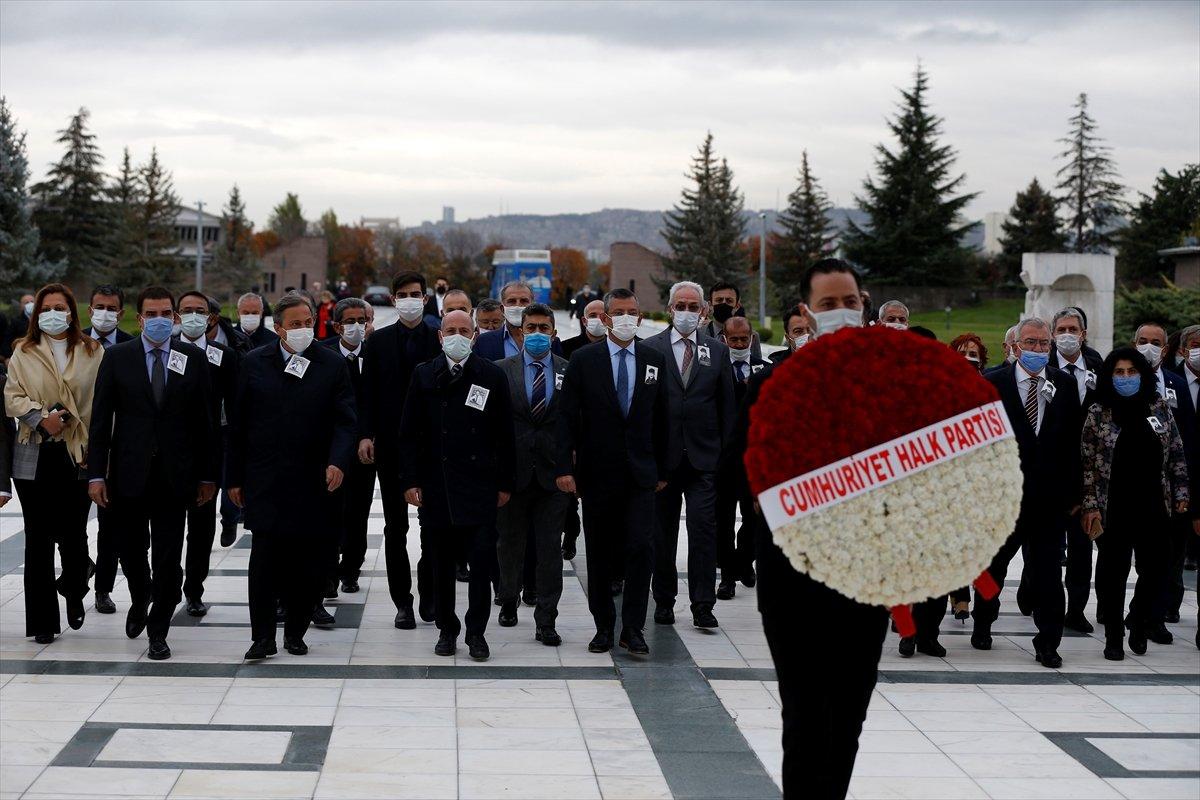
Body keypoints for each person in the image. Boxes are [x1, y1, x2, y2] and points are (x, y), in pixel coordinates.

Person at [747, 259, 886, 798]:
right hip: (794, 586)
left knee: (849, 717)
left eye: (849, 302)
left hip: (867, 582)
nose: (841, 313)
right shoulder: (773, 386)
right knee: (805, 718)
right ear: (806, 313)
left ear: (864, 303)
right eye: (828, 305)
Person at [88, 286, 218, 661]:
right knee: (130, 551)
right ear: (139, 318)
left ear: (174, 319)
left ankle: (159, 628)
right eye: (152, 314)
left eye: (166, 314)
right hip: (128, 473)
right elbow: (100, 421)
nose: (159, 320)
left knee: (167, 553)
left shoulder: (192, 359)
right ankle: (141, 594)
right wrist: (96, 474)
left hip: (175, 476)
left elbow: (205, 422)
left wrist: (208, 475)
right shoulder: (117, 358)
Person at [229, 293, 356, 660]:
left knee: (309, 562)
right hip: (266, 478)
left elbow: (346, 420)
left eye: (307, 322)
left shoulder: (330, 365)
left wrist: (338, 461)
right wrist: (234, 477)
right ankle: (263, 636)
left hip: (314, 480)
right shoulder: (255, 363)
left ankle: (297, 629)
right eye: (294, 323)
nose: (302, 329)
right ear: (278, 326)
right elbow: (238, 426)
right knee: (265, 561)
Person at [556, 288, 667, 655]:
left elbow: (663, 420)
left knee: (640, 549)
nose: (625, 318)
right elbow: (567, 418)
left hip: (641, 474)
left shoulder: (653, 359)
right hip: (598, 473)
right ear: (604, 318)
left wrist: (662, 469)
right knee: (600, 553)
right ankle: (604, 625)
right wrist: (564, 467)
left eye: (631, 312)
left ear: (639, 316)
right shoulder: (585, 361)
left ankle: (632, 628)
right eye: (617, 311)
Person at [400, 310, 516, 660]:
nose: (457, 335)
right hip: (437, 487)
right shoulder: (423, 374)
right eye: (450, 330)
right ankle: (447, 629)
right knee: (440, 565)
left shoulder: (492, 375)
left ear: (474, 335)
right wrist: (409, 480)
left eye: (464, 330)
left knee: (481, 565)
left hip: (479, 487)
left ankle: (476, 632)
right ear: (440, 336)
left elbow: (505, 436)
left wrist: (505, 482)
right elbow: (408, 434)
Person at [973, 316, 1081, 669]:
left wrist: (1075, 494)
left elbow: (1071, 443)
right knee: (996, 567)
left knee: (1049, 573)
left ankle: (1048, 640)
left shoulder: (1064, 386)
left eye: (1043, 344)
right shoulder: (993, 383)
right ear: (1015, 346)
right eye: (1031, 343)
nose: (1037, 349)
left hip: (1049, 501)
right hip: (1003, 500)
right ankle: (983, 619)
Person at [4, 284, 103, 644]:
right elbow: (12, 396)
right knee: (39, 539)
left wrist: (96, 444)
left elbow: (101, 401)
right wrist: (40, 417)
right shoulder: (23, 351)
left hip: (78, 452)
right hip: (35, 454)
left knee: (74, 535)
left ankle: (75, 588)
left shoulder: (92, 351)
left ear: (71, 312)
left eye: (60, 306)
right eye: (46, 307)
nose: (53, 313)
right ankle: (43, 622)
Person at [1081, 347, 1189, 660]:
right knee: (1112, 574)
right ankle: (1113, 635)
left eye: (1132, 372)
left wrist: (1182, 493)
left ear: (1142, 375)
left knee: (1156, 570)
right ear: (1109, 376)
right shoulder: (1098, 411)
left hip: (1155, 503)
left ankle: (1139, 620)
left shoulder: (1158, 406)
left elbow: (1177, 452)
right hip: (1112, 505)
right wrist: (1089, 505)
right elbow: (1086, 463)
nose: (1126, 378)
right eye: (1119, 372)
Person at [644, 280, 735, 630]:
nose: (686, 312)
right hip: (663, 463)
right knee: (661, 536)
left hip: (703, 460)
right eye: (680, 306)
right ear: (669, 309)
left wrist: (722, 457)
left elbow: (727, 410)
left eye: (692, 306)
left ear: (704, 311)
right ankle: (664, 600)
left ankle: (702, 604)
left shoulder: (717, 351)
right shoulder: (650, 348)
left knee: (703, 533)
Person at [359, 272, 443, 629]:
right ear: (393, 299)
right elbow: (367, 393)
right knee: (396, 527)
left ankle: (429, 591)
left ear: (425, 298)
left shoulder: (439, 339)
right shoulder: (377, 342)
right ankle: (402, 601)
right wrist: (366, 434)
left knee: (432, 527)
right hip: (391, 447)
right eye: (403, 294)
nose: (410, 299)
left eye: (416, 294)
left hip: (430, 449)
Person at [494, 304, 570, 644]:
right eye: (531, 327)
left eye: (544, 327)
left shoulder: (569, 370)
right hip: (513, 474)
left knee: (550, 550)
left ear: (554, 332)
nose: (537, 333)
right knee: (509, 543)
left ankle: (546, 619)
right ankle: (508, 598)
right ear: (520, 331)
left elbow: (576, 424)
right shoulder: (500, 370)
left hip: (554, 476)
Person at [172, 290, 239, 616]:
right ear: (176, 315)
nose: (193, 316)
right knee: (167, 528)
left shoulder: (222, 356)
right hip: (170, 456)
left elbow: (233, 407)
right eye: (187, 310)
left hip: (207, 455)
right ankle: (167, 586)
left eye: (200, 311)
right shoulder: (165, 351)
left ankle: (194, 589)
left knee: (201, 530)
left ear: (211, 318)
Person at [1049, 307, 1104, 633]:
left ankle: (1077, 609)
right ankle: (1036, 593)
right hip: (1053, 473)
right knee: (1046, 545)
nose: (1067, 334)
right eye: (1062, 329)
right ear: (1054, 334)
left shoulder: (1098, 365)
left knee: (1082, 548)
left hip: (1088, 474)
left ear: (1083, 333)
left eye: (1073, 329)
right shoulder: (1044, 365)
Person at [82, 284, 133, 615]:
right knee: (69, 529)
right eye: (99, 306)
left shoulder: (130, 346)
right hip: (72, 444)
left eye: (111, 307)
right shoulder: (74, 343)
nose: (105, 312)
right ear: (89, 310)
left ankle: (103, 588)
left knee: (110, 524)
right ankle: (78, 570)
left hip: (114, 448)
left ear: (121, 312)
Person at [323, 298, 375, 604]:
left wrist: (370, 434)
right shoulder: (324, 353)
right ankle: (328, 574)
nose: (357, 326)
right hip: (332, 446)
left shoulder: (375, 352)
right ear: (338, 325)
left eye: (362, 320)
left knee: (359, 511)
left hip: (365, 446)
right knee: (332, 510)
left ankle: (351, 568)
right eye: (350, 321)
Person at [715, 315, 766, 599]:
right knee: (721, 521)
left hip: (754, 461)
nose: (738, 344)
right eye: (733, 339)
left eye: (743, 339)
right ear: (724, 338)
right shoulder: (714, 370)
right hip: (723, 460)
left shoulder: (764, 370)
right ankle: (727, 577)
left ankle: (744, 561)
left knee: (754, 519)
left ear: (752, 338)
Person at [560, 297, 609, 563]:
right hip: (574, 431)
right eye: (592, 314)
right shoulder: (568, 349)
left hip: (599, 437)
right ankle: (570, 530)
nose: (598, 320)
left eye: (603, 315)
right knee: (567, 495)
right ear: (583, 319)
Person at [1166, 324, 1200, 627]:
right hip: (1175, 475)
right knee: (1173, 546)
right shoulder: (1171, 382)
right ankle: (1169, 603)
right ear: (1184, 349)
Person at [474, 281, 564, 359]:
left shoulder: (551, 342)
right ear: (502, 309)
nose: (518, 306)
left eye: (524, 301)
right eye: (512, 301)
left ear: (532, 305)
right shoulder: (484, 341)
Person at [703, 281, 762, 360]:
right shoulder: (699, 333)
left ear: (737, 306)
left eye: (729, 301)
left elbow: (756, 366)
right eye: (719, 300)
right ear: (710, 305)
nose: (724, 304)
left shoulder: (751, 336)